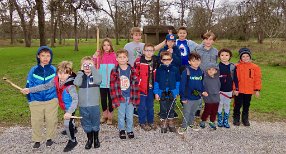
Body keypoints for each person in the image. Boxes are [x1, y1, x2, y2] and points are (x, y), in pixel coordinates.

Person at [21, 61, 78, 152]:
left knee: (67, 123)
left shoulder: (71, 86)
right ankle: (73, 127)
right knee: (70, 122)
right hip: (63, 104)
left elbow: (75, 100)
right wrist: (29, 90)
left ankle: (73, 141)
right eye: (60, 73)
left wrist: (70, 112)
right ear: (57, 73)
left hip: (70, 106)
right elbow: (45, 86)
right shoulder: (56, 80)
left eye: (65, 73)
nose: (62, 76)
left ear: (70, 73)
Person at [124, 27, 164, 117]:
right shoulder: (127, 45)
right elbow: (123, 56)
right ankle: (132, 108)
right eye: (135, 35)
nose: (138, 37)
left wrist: (164, 42)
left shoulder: (143, 45)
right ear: (132, 36)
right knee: (131, 89)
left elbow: (154, 48)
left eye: (139, 35)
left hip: (142, 71)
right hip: (131, 70)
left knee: (140, 89)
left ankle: (138, 107)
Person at [24, 46, 58, 149]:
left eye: (48, 56)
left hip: (51, 100)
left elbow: (58, 84)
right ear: (38, 56)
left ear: (51, 57)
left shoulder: (54, 70)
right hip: (36, 100)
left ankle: (50, 138)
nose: (45, 58)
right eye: (43, 55)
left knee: (51, 120)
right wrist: (30, 98)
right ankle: (37, 140)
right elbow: (29, 84)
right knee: (36, 121)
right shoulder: (33, 70)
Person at [109, 49, 140, 139]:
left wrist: (135, 97)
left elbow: (136, 84)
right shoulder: (114, 71)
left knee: (130, 115)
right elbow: (112, 86)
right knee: (121, 115)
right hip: (120, 96)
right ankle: (121, 130)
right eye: (120, 57)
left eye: (124, 57)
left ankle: (129, 130)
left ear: (127, 59)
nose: (122, 59)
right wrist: (115, 99)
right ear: (117, 59)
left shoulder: (132, 70)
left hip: (130, 96)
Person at [74, 56, 102, 149]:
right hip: (83, 105)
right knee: (86, 122)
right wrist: (80, 72)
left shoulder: (96, 74)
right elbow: (76, 83)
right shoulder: (80, 76)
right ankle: (89, 139)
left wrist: (93, 68)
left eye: (89, 64)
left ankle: (96, 139)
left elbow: (98, 81)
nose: (87, 66)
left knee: (95, 122)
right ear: (82, 66)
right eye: (85, 65)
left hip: (94, 105)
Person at [178, 53, 207, 134]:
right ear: (189, 62)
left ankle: (190, 123)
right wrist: (183, 97)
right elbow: (182, 85)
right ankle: (184, 126)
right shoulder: (186, 71)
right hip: (188, 97)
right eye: (193, 61)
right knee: (186, 112)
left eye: (198, 60)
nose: (196, 63)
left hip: (197, 97)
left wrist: (203, 91)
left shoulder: (201, 71)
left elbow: (202, 83)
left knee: (193, 112)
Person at [233, 48, 262, 126]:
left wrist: (257, 90)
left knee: (246, 105)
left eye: (247, 56)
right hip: (238, 90)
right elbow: (233, 79)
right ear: (240, 57)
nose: (245, 58)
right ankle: (236, 118)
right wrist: (234, 89)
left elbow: (257, 79)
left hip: (249, 91)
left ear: (250, 57)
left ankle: (245, 119)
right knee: (237, 105)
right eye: (243, 56)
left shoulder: (255, 67)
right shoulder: (236, 66)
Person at [154, 51, 180, 133]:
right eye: (164, 59)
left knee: (171, 107)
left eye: (168, 59)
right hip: (162, 91)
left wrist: (176, 92)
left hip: (172, 91)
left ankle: (171, 121)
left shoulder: (175, 69)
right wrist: (156, 93)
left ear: (171, 59)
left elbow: (178, 81)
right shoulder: (159, 70)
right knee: (163, 107)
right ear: (161, 60)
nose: (166, 61)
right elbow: (156, 82)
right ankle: (164, 122)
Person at [134, 44, 159, 131]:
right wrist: (140, 84)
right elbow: (135, 75)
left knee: (150, 106)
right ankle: (142, 122)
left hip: (151, 88)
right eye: (147, 50)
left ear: (153, 52)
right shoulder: (139, 61)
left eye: (151, 50)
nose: (149, 52)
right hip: (142, 88)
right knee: (142, 106)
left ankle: (150, 121)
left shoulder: (155, 61)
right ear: (144, 51)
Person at [93, 38, 117, 125]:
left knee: (111, 100)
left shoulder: (114, 56)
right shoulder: (100, 56)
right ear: (102, 46)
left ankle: (110, 116)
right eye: (104, 45)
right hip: (102, 82)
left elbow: (117, 68)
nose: (106, 47)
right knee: (103, 99)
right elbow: (94, 66)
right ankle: (104, 115)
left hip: (111, 83)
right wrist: (94, 57)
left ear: (111, 46)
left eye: (108, 45)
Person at [194, 31, 218, 117]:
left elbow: (216, 63)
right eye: (206, 39)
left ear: (213, 41)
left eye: (210, 39)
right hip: (199, 74)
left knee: (209, 92)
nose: (208, 41)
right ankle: (197, 109)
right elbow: (194, 61)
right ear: (203, 40)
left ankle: (209, 109)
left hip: (210, 75)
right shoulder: (198, 49)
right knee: (199, 92)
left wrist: (214, 72)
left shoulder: (215, 51)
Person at [217, 49, 239, 128]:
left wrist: (236, 89)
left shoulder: (232, 66)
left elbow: (235, 78)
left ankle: (225, 120)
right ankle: (219, 120)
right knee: (219, 104)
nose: (224, 57)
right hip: (219, 90)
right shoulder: (217, 66)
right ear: (219, 56)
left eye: (226, 55)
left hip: (229, 90)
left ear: (230, 56)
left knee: (227, 105)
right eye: (222, 55)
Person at [199, 63, 220, 130]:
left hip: (216, 96)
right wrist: (203, 92)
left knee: (214, 110)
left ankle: (212, 121)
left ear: (216, 71)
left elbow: (219, 86)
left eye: (213, 70)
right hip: (208, 96)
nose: (211, 71)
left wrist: (218, 91)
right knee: (207, 109)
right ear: (206, 71)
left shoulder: (217, 78)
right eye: (209, 69)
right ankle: (203, 120)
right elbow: (202, 87)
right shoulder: (205, 78)